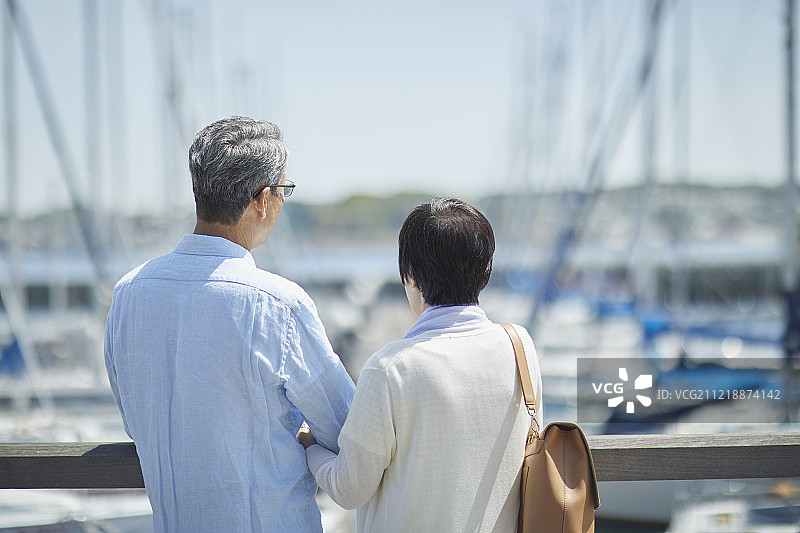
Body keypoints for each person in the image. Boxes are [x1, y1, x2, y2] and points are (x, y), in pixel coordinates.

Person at [104, 116, 355, 532]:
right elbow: (347, 427)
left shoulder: (128, 293)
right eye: (282, 191)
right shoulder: (278, 303)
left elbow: (135, 423)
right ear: (261, 199)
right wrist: (305, 436)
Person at [298, 197, 543, 532]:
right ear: (485, 272)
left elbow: (349, 488)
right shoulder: (520, 347)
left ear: (410, 277)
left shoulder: (389, 368)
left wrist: (309, 442)